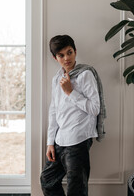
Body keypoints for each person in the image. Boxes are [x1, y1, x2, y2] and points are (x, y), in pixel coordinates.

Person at [40, 35, 106, 196]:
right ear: (55, 58)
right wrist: (50, 142)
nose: (66, 58)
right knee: (47, 181)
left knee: (76, 189)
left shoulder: (85, 75)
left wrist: (70, 92)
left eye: (69, 52)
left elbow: (95, 108)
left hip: (78, 140)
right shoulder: (57, 79)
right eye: (61, 55)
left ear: (75, 52)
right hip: (60, 139)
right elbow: (54, 110)